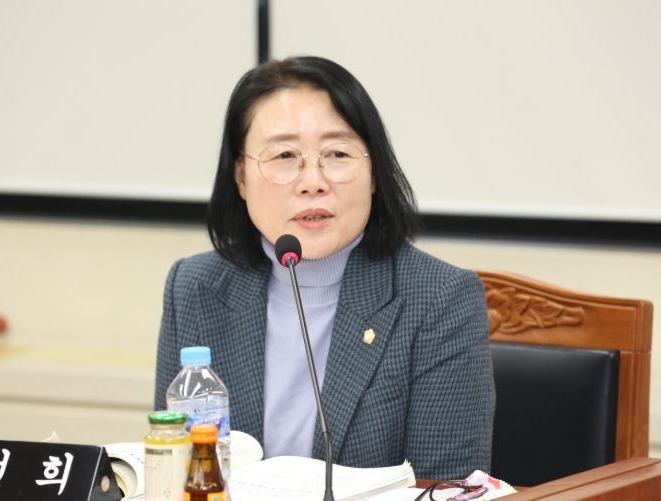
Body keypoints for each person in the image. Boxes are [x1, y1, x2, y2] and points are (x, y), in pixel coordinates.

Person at [154, 55, 495, 480]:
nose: (313, 181)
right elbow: (176, 471)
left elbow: (446, 489)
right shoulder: (194, 288)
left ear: (374, 172)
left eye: (337, 153)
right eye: (284, 155)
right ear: (241, 177)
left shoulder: (439, 300)